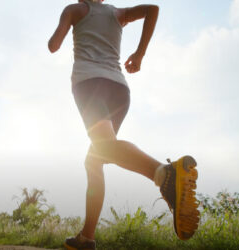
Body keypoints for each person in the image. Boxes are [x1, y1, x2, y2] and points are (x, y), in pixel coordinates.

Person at [48, 0, 199, 249]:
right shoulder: (117, 13)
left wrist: (60, 33)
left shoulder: (75, 10)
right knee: (95, 158)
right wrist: (139, 54)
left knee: (105, 147)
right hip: (119, 89)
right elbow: (153, 9)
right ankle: (86, 237)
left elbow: (54, 45)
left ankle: (164, 173)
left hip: (89, 84)